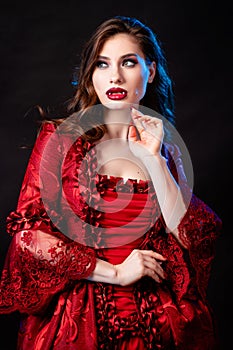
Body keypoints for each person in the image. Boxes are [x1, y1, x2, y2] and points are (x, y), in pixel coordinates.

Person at [0, 15, 222, 350]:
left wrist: (154, 160)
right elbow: (28, 239)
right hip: (78, 322)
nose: (115, 76)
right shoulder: (59, 141)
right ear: (91, 76)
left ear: (150, 71)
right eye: (102, 64)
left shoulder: (166, 149)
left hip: (157, 322)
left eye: (128, 62)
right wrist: (114, 272)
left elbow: (191, 236)